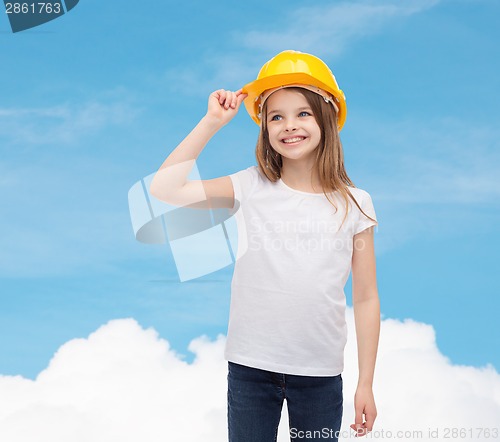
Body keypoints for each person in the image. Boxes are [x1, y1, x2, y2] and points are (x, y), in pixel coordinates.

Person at [150, 50, 380, 442]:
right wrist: (211, 123)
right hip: (250, 369)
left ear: (327, 117)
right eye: (276, 116)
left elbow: (366, 298)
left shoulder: (356, 203)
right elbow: (164, 189)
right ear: (264, 127)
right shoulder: (250, 185)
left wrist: (365, 383)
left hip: (321, 376)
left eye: (302, 113)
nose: (289, 126)